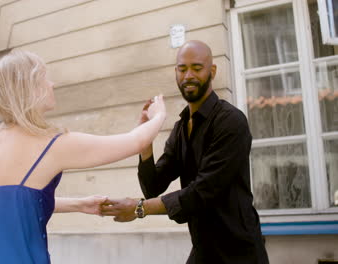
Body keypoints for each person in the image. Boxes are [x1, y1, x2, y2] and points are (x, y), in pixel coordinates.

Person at [0, 50, 166, 264]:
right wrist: (159, 114)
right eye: (44, 78)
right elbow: (136, 142)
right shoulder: (51, 144)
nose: (52, 84)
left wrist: (79, 204)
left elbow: (16, 204)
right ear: (30, 88)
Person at [101, 40, 269, 264]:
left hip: (238, 251)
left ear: (212, 71)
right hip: (203, 248)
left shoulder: (231, 122)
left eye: (197, 68)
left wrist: (139, 208)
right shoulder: (181, 128)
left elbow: (202, 192)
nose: (188, 75)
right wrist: (145, 139)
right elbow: (153, 186)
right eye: (182, 69)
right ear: (176, 73)